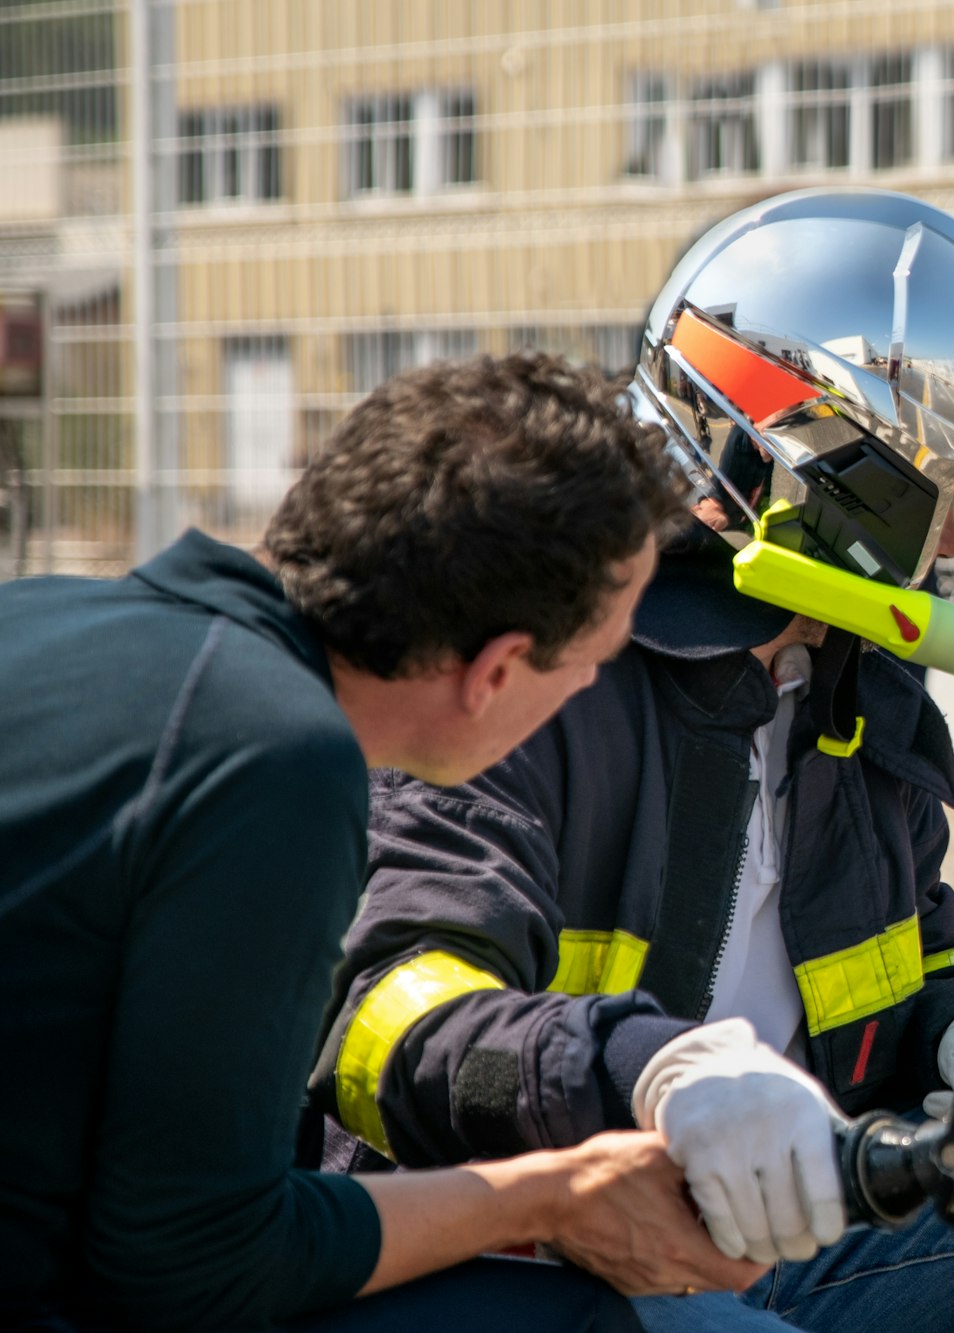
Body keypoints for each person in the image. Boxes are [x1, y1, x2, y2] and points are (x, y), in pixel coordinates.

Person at [308, 189, 954, 1333]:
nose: (950, 543)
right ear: (819, 477)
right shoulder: (547, 667)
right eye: (936, 498)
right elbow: (381, 1019)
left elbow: (909, 958)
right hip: (541, 1247)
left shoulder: (862, 687)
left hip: (794, 1223)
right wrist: (655, 1072)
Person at [0, 352, 769, 1331]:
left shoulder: (53, 614)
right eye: (594, 662)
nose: (587, 691)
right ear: (495, 670)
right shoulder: (277, 761)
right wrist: (553, 1195)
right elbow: (193, 1262)